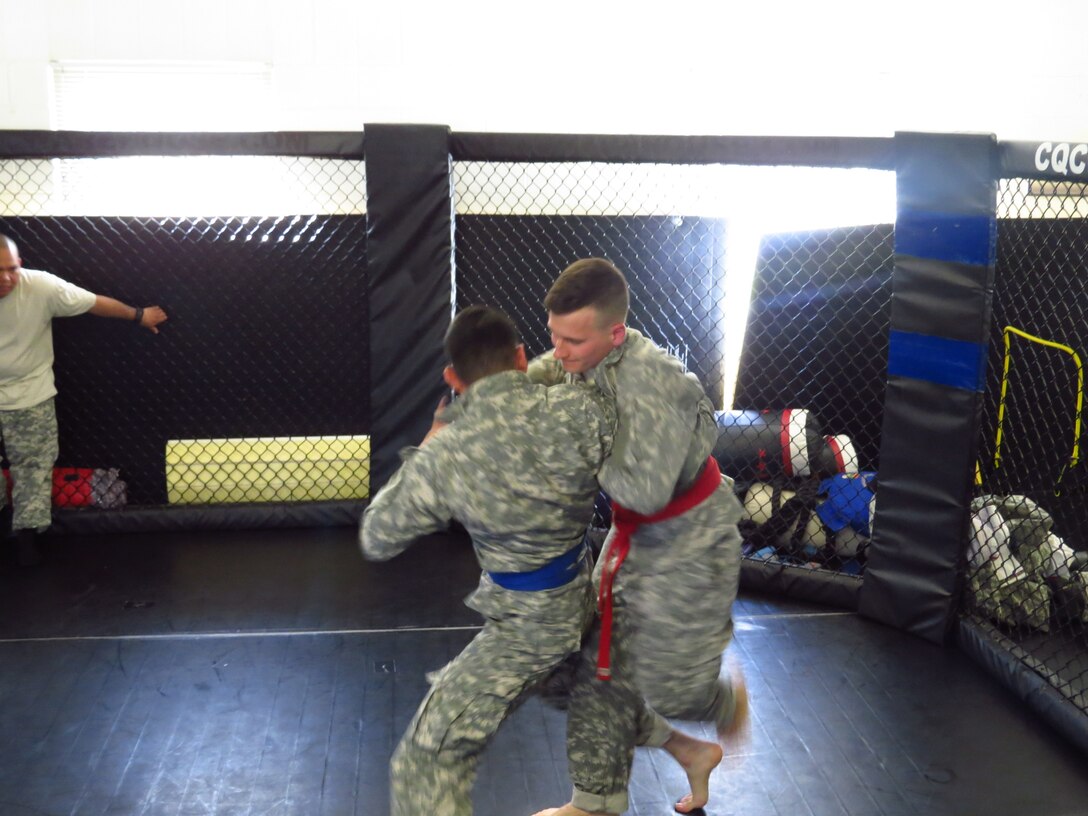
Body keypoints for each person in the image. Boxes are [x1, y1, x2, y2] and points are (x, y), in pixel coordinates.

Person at [528, 257, 749, 816]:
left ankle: (721, 705)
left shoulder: (650, 386)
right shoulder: (585, 352)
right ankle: (598, 800)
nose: (560, 349)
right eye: (553, 334)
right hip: (635, 537)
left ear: (615, 332)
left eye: (571, 339)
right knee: (585, 670)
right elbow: (543, 375)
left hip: (690, 543)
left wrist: (570, 442)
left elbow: (644, 491)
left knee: (674, 690)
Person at [0, 233, 168, 565]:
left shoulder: (40, 287)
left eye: (11, 269)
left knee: (33, 467)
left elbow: (93, 302)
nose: (6, 279)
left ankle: (28, 540)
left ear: (20, 265)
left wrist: (138, 315)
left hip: (29, 393)